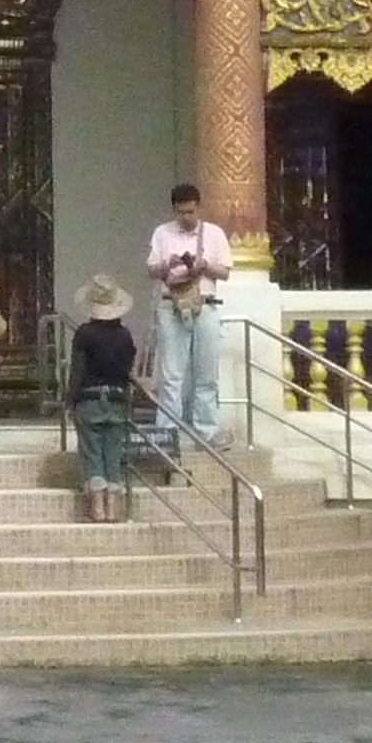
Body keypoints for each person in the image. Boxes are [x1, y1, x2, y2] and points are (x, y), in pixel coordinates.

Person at [144, 182, 233, 447]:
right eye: (182, 213)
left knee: (206, 373)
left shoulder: (214, 234)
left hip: (204, 304)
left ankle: (206, 430)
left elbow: (226, 272)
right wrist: (167, 264)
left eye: (191, 212)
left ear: (198, 208)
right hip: (171, 304)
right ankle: (167, 431)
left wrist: (203, 265)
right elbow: (150, 269)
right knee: (172, 373)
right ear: (174, 210)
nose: (187, 218)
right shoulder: (162, 233)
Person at [65, 275, 138, 521]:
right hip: (117, 398)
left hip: (89, 398)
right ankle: (113, 504)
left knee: (91, 450)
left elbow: (77, 370)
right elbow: (128, 370)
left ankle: (97, 505)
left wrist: (69, 399)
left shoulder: (84, 334)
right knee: (113, 450)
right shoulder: (125, 336)